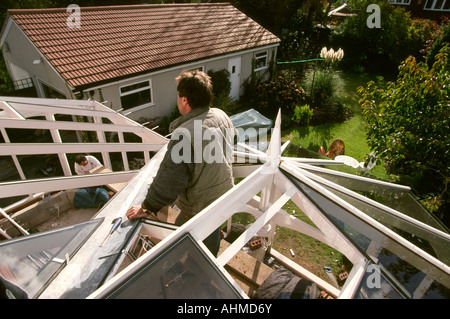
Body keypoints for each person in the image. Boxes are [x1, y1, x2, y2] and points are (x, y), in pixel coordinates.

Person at [126, 70, 237, 256]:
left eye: (178, 96)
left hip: (200, 207)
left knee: (190, 245)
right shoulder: (220, 115)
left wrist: (147, 208)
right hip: (224, 194)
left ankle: (200, 267)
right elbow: (231, 143)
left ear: (184, 100)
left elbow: (169, 180)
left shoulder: (184, 134)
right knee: (202, 229)